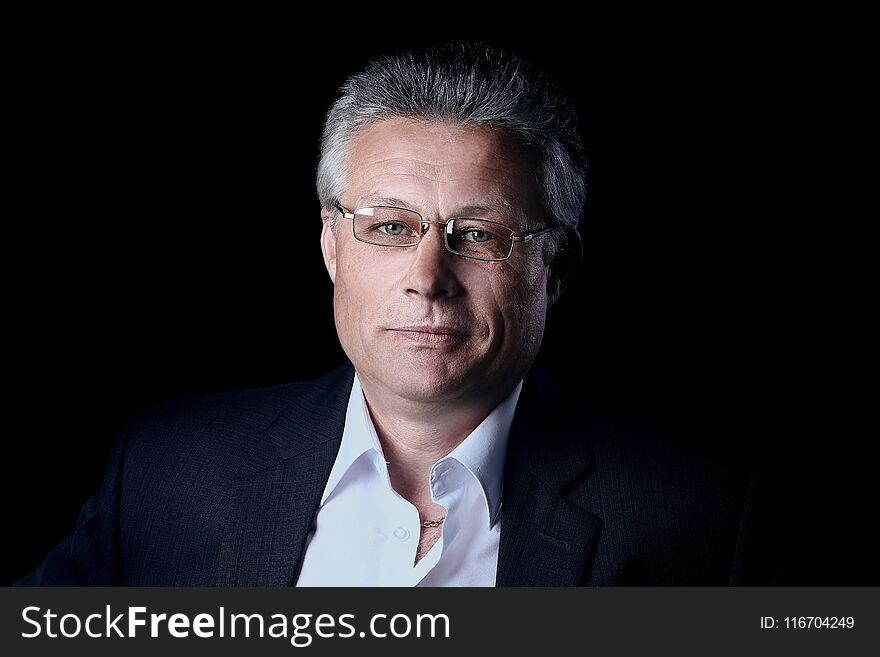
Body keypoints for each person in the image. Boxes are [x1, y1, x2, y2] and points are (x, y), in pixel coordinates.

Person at [16, 42, 771, 587]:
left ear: (557, 267)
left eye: (478, 235)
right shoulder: (168, 468)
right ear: (331, 245)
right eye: (387, 226)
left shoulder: (702, 510)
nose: (428, 278)